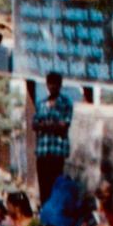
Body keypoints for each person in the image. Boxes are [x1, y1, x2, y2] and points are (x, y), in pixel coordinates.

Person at [32, 72, 73, 202]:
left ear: (60, 85)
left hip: (57, 153)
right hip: (43, 152)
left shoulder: (66, 103)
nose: (53, 86)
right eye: (50, 83)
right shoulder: (41, 104)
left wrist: (45, 125)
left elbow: (64, 125)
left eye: (55, 83)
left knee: (56, 187)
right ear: (47, 85)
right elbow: (34, 124)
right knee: (43, 187)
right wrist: (52, 124)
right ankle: (44, 215)